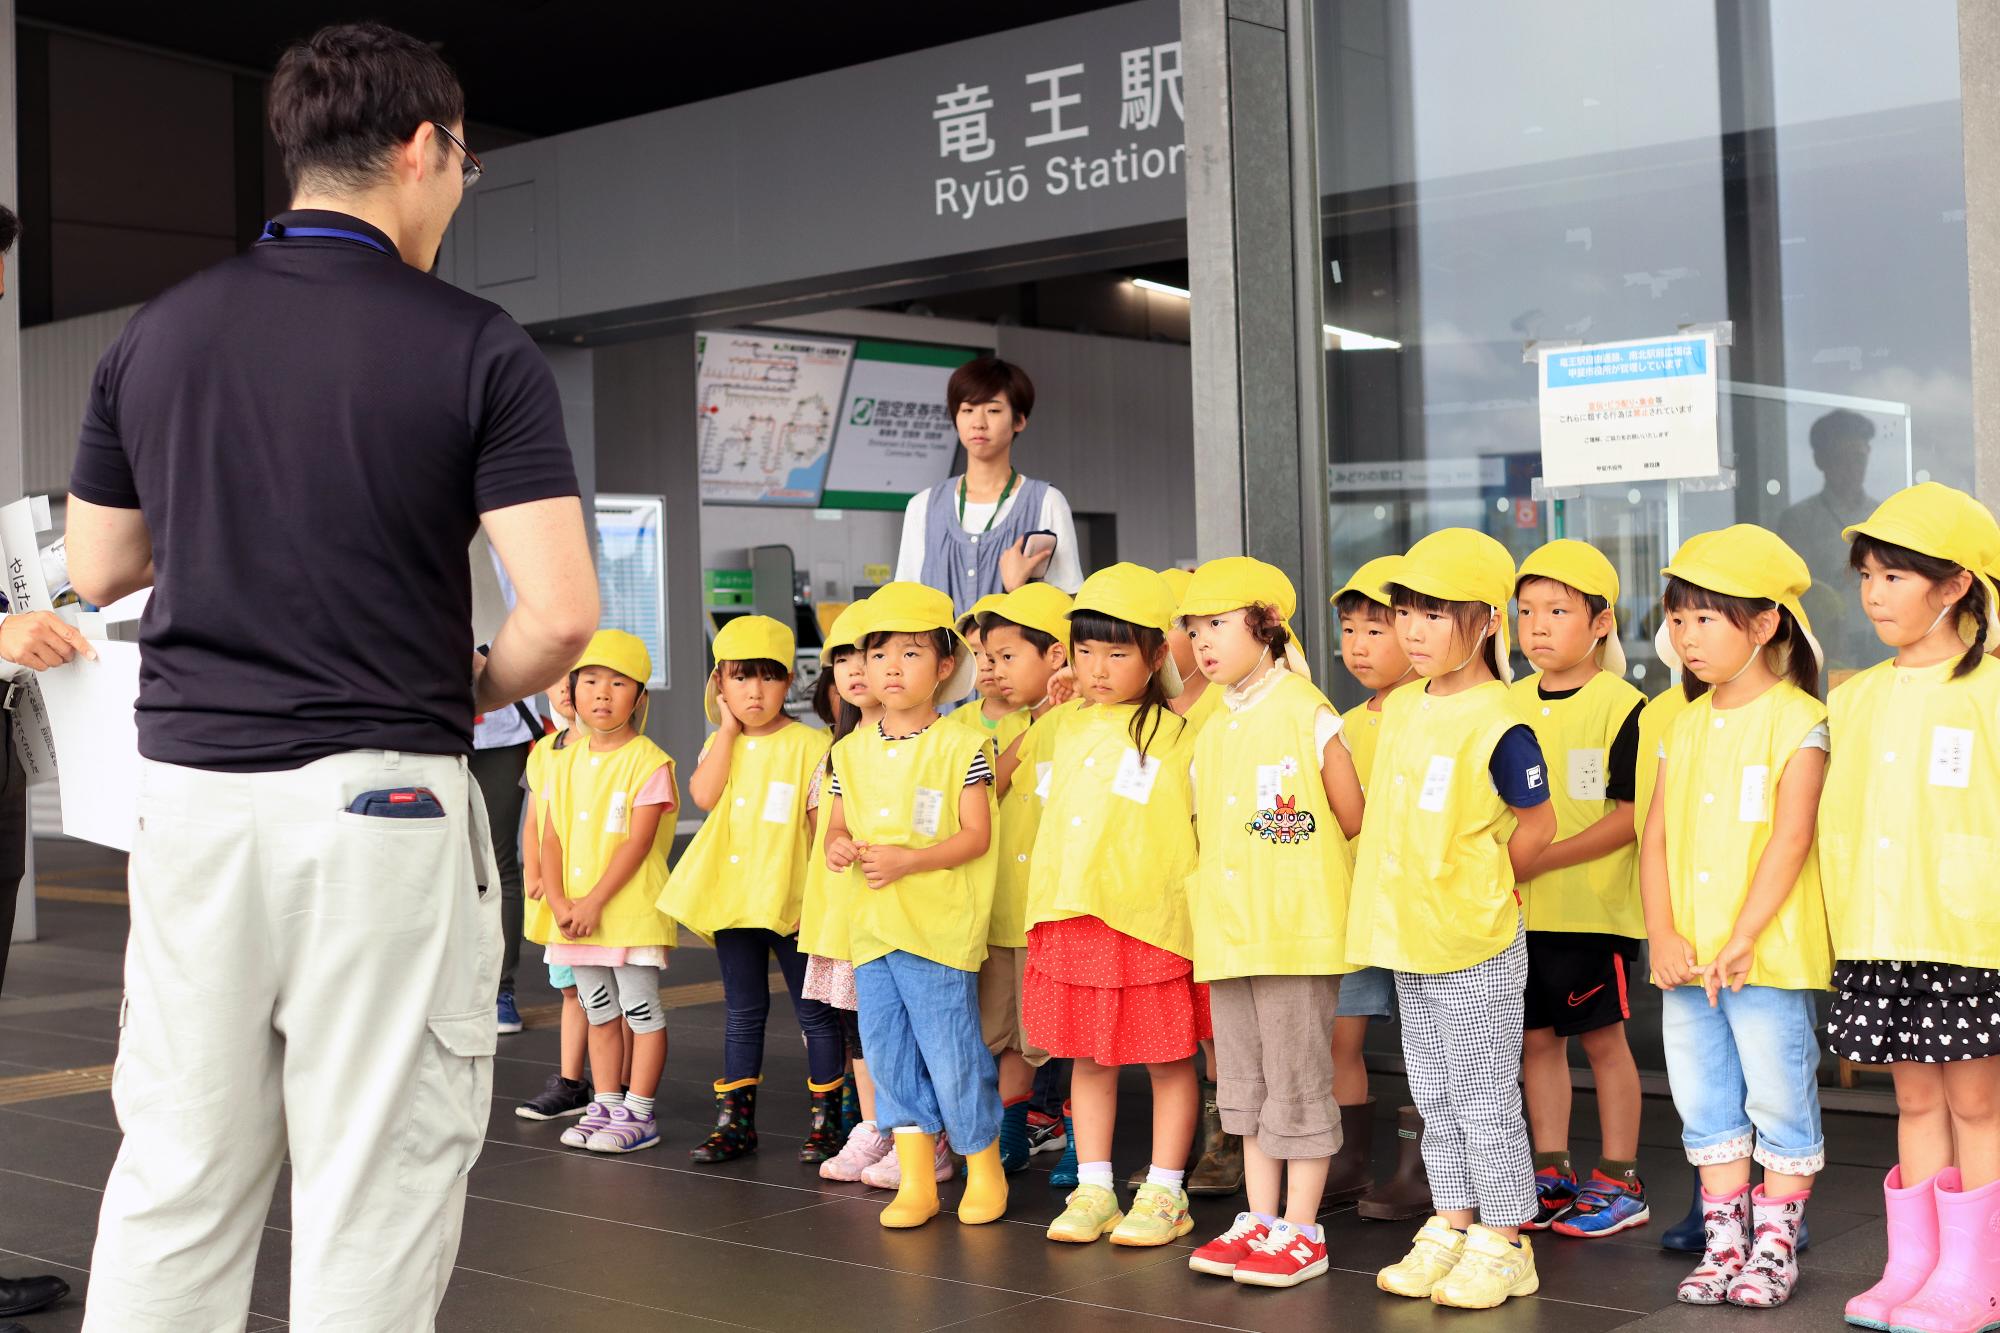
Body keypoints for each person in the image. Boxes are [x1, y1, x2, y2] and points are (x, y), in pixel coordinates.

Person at [66, 23, 597, 1330]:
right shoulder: (474, 344)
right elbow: (567, 613)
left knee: (178, 1174)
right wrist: (474, 682)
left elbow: (97, 564)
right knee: (376, 1176)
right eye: (462, 163)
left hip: (192, 801)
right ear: (421, 150)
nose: (460, 189)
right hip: (384, 802)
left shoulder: (159, 333)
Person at [1345, 529, 1556, 1310]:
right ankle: (1452, 1218)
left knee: (1483, 1094)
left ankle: (1505, 1239)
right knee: (1434, 1093)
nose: (1413, 631)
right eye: (1405, 612)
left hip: (1472, 940)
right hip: (1410, 935)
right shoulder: (1401, 706)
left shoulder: (1502, 720)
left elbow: (1540, 823)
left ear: (1486, 620)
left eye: (1435, 614)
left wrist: (1492, 888)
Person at [1819, 484, 2000, 1333]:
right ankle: (1916, 1266)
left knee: (1977, 1106)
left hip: (1970, 936)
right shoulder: (1853, 698)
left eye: (1895, 575)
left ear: (1957, 584)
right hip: (1878, 932)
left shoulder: (1993, 691)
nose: (1875, 593)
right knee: (1915, 1103)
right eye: (1867, 576)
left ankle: (1976, 1275)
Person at [1641, 526, 1831, 1309]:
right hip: (1687, 960)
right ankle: (1726, 1244)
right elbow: (1652, 839)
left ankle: (1776, 1245)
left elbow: (1793, 838)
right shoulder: (1678, 722)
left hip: (1767, 957)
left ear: (1765, 624)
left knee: (1781, 1095)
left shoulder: (1800, 718)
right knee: (1705, 1099)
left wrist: (1745, 934)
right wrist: (1662, 931)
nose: (1687, 636)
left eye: (1707, 618)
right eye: (1678, 618)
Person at [1177, 558, 1364, 1290]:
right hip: (1228, 932)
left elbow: (1350, 815)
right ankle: (1259, 1218)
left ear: (1265, 626)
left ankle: (1303, 1227)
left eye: (1219, 625)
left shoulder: (1305, 707)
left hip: (1293, 930)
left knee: (1296, 1082)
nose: (1203, 642)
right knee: (1247, 1088)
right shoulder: (1214, 720)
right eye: (1194, 629)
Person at [1024, 564, 1202, 1249]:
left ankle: (1164, 1189)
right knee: (1086, 1059)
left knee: (1166, 1059)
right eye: (1086, 649)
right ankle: (1094, 1186)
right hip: (1073, 912)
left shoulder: (1182, 733)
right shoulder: (1064, 724)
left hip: (1149, 920)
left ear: (1157, 654)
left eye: (1118, 651)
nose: (1098, 667)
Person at [823, 582, 1008, 1229]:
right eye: (878, 655)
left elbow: (975, 834)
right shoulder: (848, 751)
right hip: (872, 930)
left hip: (936, 930)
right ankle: (918, 1178)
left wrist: (909, 859)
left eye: (909, 653)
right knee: (889, 1055)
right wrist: (839, 846)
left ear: (946, 665)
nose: (891, 668)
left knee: (954, 1053)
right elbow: (833, 829)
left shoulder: (961, 745)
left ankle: (984, 1168)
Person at [1508, 541, 1650, 1238]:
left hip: (1595, 915)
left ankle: (1621, 1176)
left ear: (1599, 622)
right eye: (1526, 610)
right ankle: (1551, 1169)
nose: (1537, 626)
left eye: (1557, 610)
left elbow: (1629, 818)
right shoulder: (1503, 703)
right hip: (1516, 915)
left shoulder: (1624, 705)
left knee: (1603, 1042)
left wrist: (1541, 857)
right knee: (1536, 1042)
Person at [665, 615, 845, 1163]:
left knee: (815, 1011)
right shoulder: (718, 744)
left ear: (788, 683)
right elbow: (701, 795)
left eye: (768, 678)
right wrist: (724, 730)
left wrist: (819, 901)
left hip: (792, 902)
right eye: (740, 678)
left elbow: (820, 829)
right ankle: (736, 1123)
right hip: (733, 899)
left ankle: (828, 1122)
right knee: (742, 1012)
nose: (754, 691)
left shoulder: (813, 745)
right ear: (719, 684)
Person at [537, 631, 677, 1155]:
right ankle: (608, 1101)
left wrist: (592, 902)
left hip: (629, 914)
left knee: (641, 1011)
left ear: (639, 697)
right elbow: (550, 838)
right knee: (598, 1010)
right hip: (574, 917)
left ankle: (640, 1111)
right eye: (590, 681)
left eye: (618, 683)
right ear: (572, 690)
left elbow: (637, 845)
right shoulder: (562, 761)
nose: (602, 693)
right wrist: (558, 902)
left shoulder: (649, 761)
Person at [1329, 557, 1427, 1218]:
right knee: (1343, 1035)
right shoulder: (1336, 722)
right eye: (1350, 629)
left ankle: (1423, 1169)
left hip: (1422, 908)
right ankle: (1349, 1162)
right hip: (1356, 906)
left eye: (1378, 629)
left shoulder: (1434, 711)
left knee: (1428, 1039)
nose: (1360, 645)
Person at [801, 600, 902, 1184]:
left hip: (897, 914)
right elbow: (825, 839)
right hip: (844, 915)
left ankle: (912, 1130)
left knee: (896, 1026)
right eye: (843, 658)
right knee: (856, 1027)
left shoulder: (925, 741)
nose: (858, 669)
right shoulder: (837, 753)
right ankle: (874, 1125)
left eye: (869, 655)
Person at [976, 584, 1072, 1171]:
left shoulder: (1086, 722)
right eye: (988, 657)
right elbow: (990, 786)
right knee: (1003, 1030)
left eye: (1008, 657)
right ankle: (1010, 1132)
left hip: (1054, 906)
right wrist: (1038, 720)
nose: (994, 670)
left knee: (1063, 1033)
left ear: (1056, 656)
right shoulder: (1008, 724)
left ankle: (1080, 1143)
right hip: (1000, 907)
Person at [894, 357, 1082, 614]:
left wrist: (1019, 590)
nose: (978, 422)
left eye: (993, 410)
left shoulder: (1047, 501)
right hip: (943, 655)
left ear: (1019, 420)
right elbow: (904, 607)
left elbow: (1067, 608)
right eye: (967, 410)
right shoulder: (922, 506)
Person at [514, 675, 599, 1122]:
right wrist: (535, 869)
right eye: (556, 680)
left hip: (594, 893)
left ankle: (615, 1087)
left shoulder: (611, 748)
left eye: (578, 678)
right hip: (555, 893)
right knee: (570, 988)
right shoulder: (544, 751)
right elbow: (534, 820)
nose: (565, 689)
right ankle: (571, 1083)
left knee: (610, 991)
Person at [1776, 408, 1885, 674]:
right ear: (1821, 460)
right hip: (1826, 649)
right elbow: (1793, 592)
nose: (1852, 469)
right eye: (1841, 459)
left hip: (1882, 643)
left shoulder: (1884, 516)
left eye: (1858, 458)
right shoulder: (1798, 520)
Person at [950, 593, 1032, 748]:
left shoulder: (1039, 715)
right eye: (975, 653)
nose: (985, 664)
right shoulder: (957, 722)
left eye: (1003, 654)